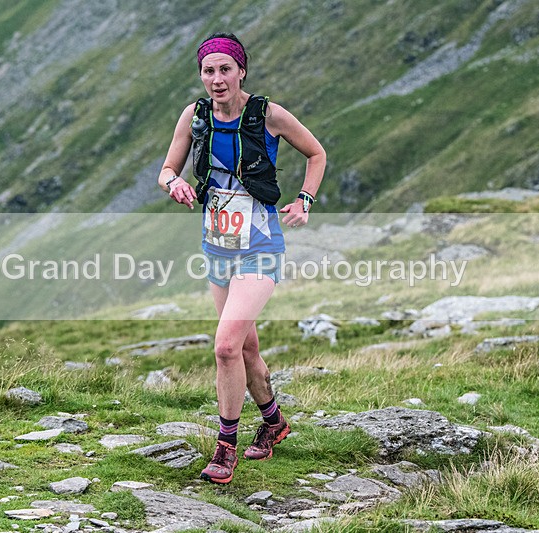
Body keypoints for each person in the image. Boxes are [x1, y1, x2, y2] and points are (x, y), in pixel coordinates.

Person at [157, 32, 326, 484]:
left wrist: (304, 201)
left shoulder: (267, 114)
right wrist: (174, 182)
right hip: (217, 248)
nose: (216, 79)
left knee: (226, 346)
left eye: (224, 69)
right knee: (247, 348)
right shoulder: (194, 116)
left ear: (241, 71)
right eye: (208, 71)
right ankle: (274, 422)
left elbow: (316, 153)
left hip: (260, 247)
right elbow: (167, 168)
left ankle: (225, 447)